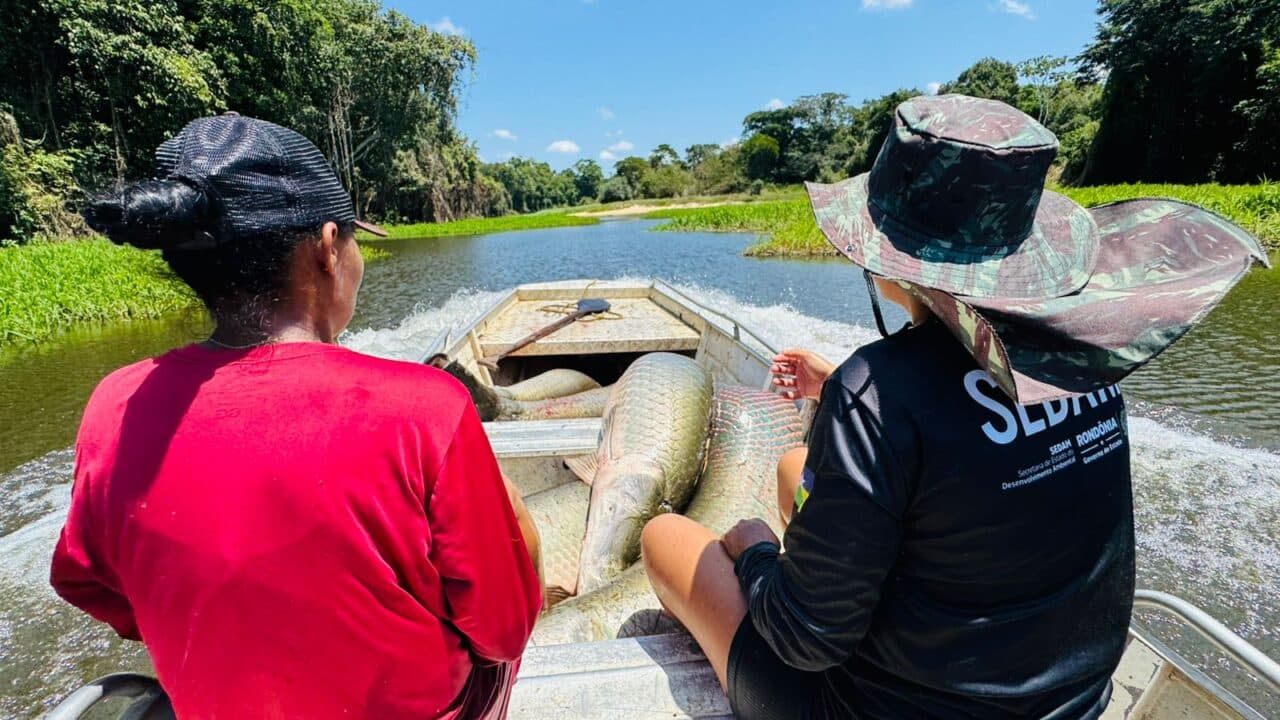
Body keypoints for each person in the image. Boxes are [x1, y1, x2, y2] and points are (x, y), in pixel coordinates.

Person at [641, 95, 1268, 720]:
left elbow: (808, 643)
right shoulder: (1084, 361)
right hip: (1069, 703)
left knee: (666, 538)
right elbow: (969, 430)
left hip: (870, 708)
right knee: (792, 470)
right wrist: (834, 385)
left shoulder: (877, 391)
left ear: (889, 260)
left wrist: (755, 555)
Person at [50, 113, 544, 719]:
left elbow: (83, 579)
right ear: (329, 250)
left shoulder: (113, 406)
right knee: (516, 518)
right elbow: (503, 633)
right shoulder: (426, 408)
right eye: (357, 243)